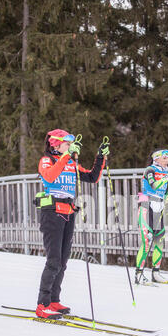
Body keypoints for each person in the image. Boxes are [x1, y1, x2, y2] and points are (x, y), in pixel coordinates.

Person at [35, 129, 109, 319]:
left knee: (62, 261)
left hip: (68, 213)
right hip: (52, 213)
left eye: (71, 144)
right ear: (55, 144)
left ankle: (53, 300)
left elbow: (92, 177)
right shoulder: (47, 160)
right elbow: (50, 176)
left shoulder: (70, 163)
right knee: (53, 261)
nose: (70, 146)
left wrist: (100, 157)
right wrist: (67, 156)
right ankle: (42, 305)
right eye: (67, 143)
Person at [135, 149, 168, 285]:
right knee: (147, 241)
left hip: (159, 209)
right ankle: (138, 274)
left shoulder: (166, 173)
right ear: (157, 159)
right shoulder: (150, 170)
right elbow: (154, 186)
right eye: (165, 158)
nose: (167, 160)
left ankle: (156, 272)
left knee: (159, 240)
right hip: (146, 207)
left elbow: (164, 194)